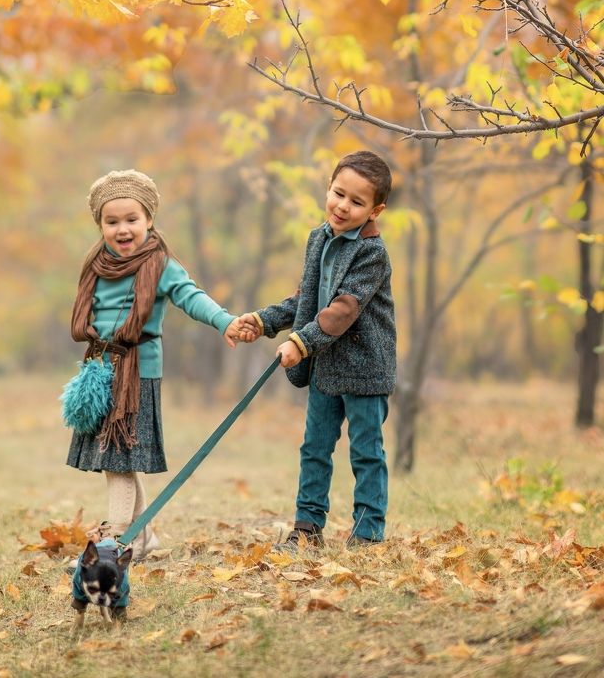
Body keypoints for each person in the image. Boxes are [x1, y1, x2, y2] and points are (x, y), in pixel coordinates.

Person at [66, 169, 253, 560]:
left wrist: (226, 321)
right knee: (119, 461)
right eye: (111, 221)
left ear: (149, 219)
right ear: (99, 224)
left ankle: (115, 542)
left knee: (118, 461)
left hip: (138, 374)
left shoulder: (161, 265)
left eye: (131, 219)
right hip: (100, 373)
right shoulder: (96, 265)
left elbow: (192, 296)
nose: (122, 229)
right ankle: (144, 537)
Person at [240, 150, 396, 550]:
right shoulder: (318, 239)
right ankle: (307, 529)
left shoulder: (371, 253)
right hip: (325, 367)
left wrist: (301, 342)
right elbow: (306, 299)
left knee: (365, 451)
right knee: (314, 448)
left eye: (357, 201)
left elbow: (343, 308)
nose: (343, 206)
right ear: (328, 187)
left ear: (375, 209)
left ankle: (367, 532)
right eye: (338, 193)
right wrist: (263, 321)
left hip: (364, 368)